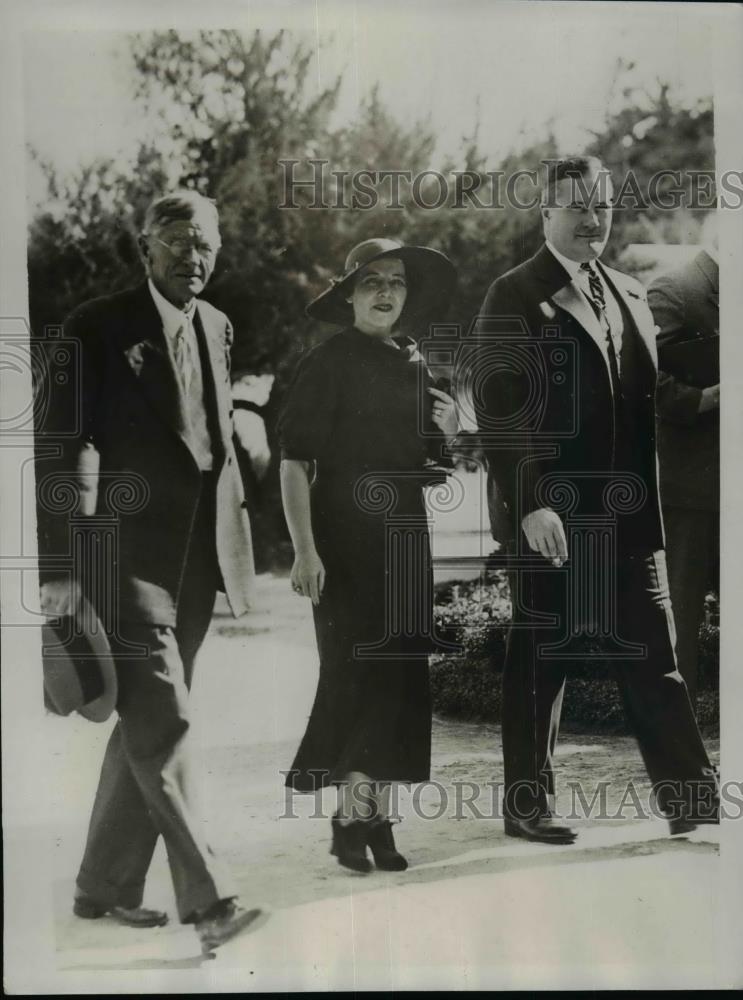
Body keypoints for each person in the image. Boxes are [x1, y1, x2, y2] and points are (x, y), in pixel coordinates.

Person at [36, 191, 265, 955]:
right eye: (175, 243)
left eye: (203, 244)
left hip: (197, 562)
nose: (191, 258)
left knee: (143, 719)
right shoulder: (95, 329)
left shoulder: (218, 326)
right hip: (122, 559)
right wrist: (61, 568)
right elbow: (56, 449)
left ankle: (101, 885)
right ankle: (212, 902)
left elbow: (212, 442)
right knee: (165, 721)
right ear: (144, 248)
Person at [469, 156, 719, 844]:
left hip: (630, 519)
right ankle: (527, 804)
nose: (591, 217)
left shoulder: (631, 294)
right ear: (545, 213)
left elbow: (648, 407)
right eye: (574, 204)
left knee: (655, 660)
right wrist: (530, 502)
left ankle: (692, 802)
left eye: (600, 203)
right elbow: (498, 411)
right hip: (553, 516)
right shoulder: (515, 295)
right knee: (541, 662)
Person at [279, 238, 457, 873]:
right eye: (372, 280)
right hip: (345, 543)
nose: (386, 291)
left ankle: (378, 818)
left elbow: (431, 461)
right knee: (356, 679)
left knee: (401, 681)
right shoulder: (326, 364)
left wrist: (451, 425)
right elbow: (296, 464)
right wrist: (305, 551)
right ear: (348, 294)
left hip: (407, 538)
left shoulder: (413, 360)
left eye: (398, 282)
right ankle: (351, 820)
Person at [647, 216, 719, 705]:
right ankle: (680, 749)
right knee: (681, 622)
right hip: (691, 494)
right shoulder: (674, 290)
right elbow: (640, 377)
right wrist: (707, 398)